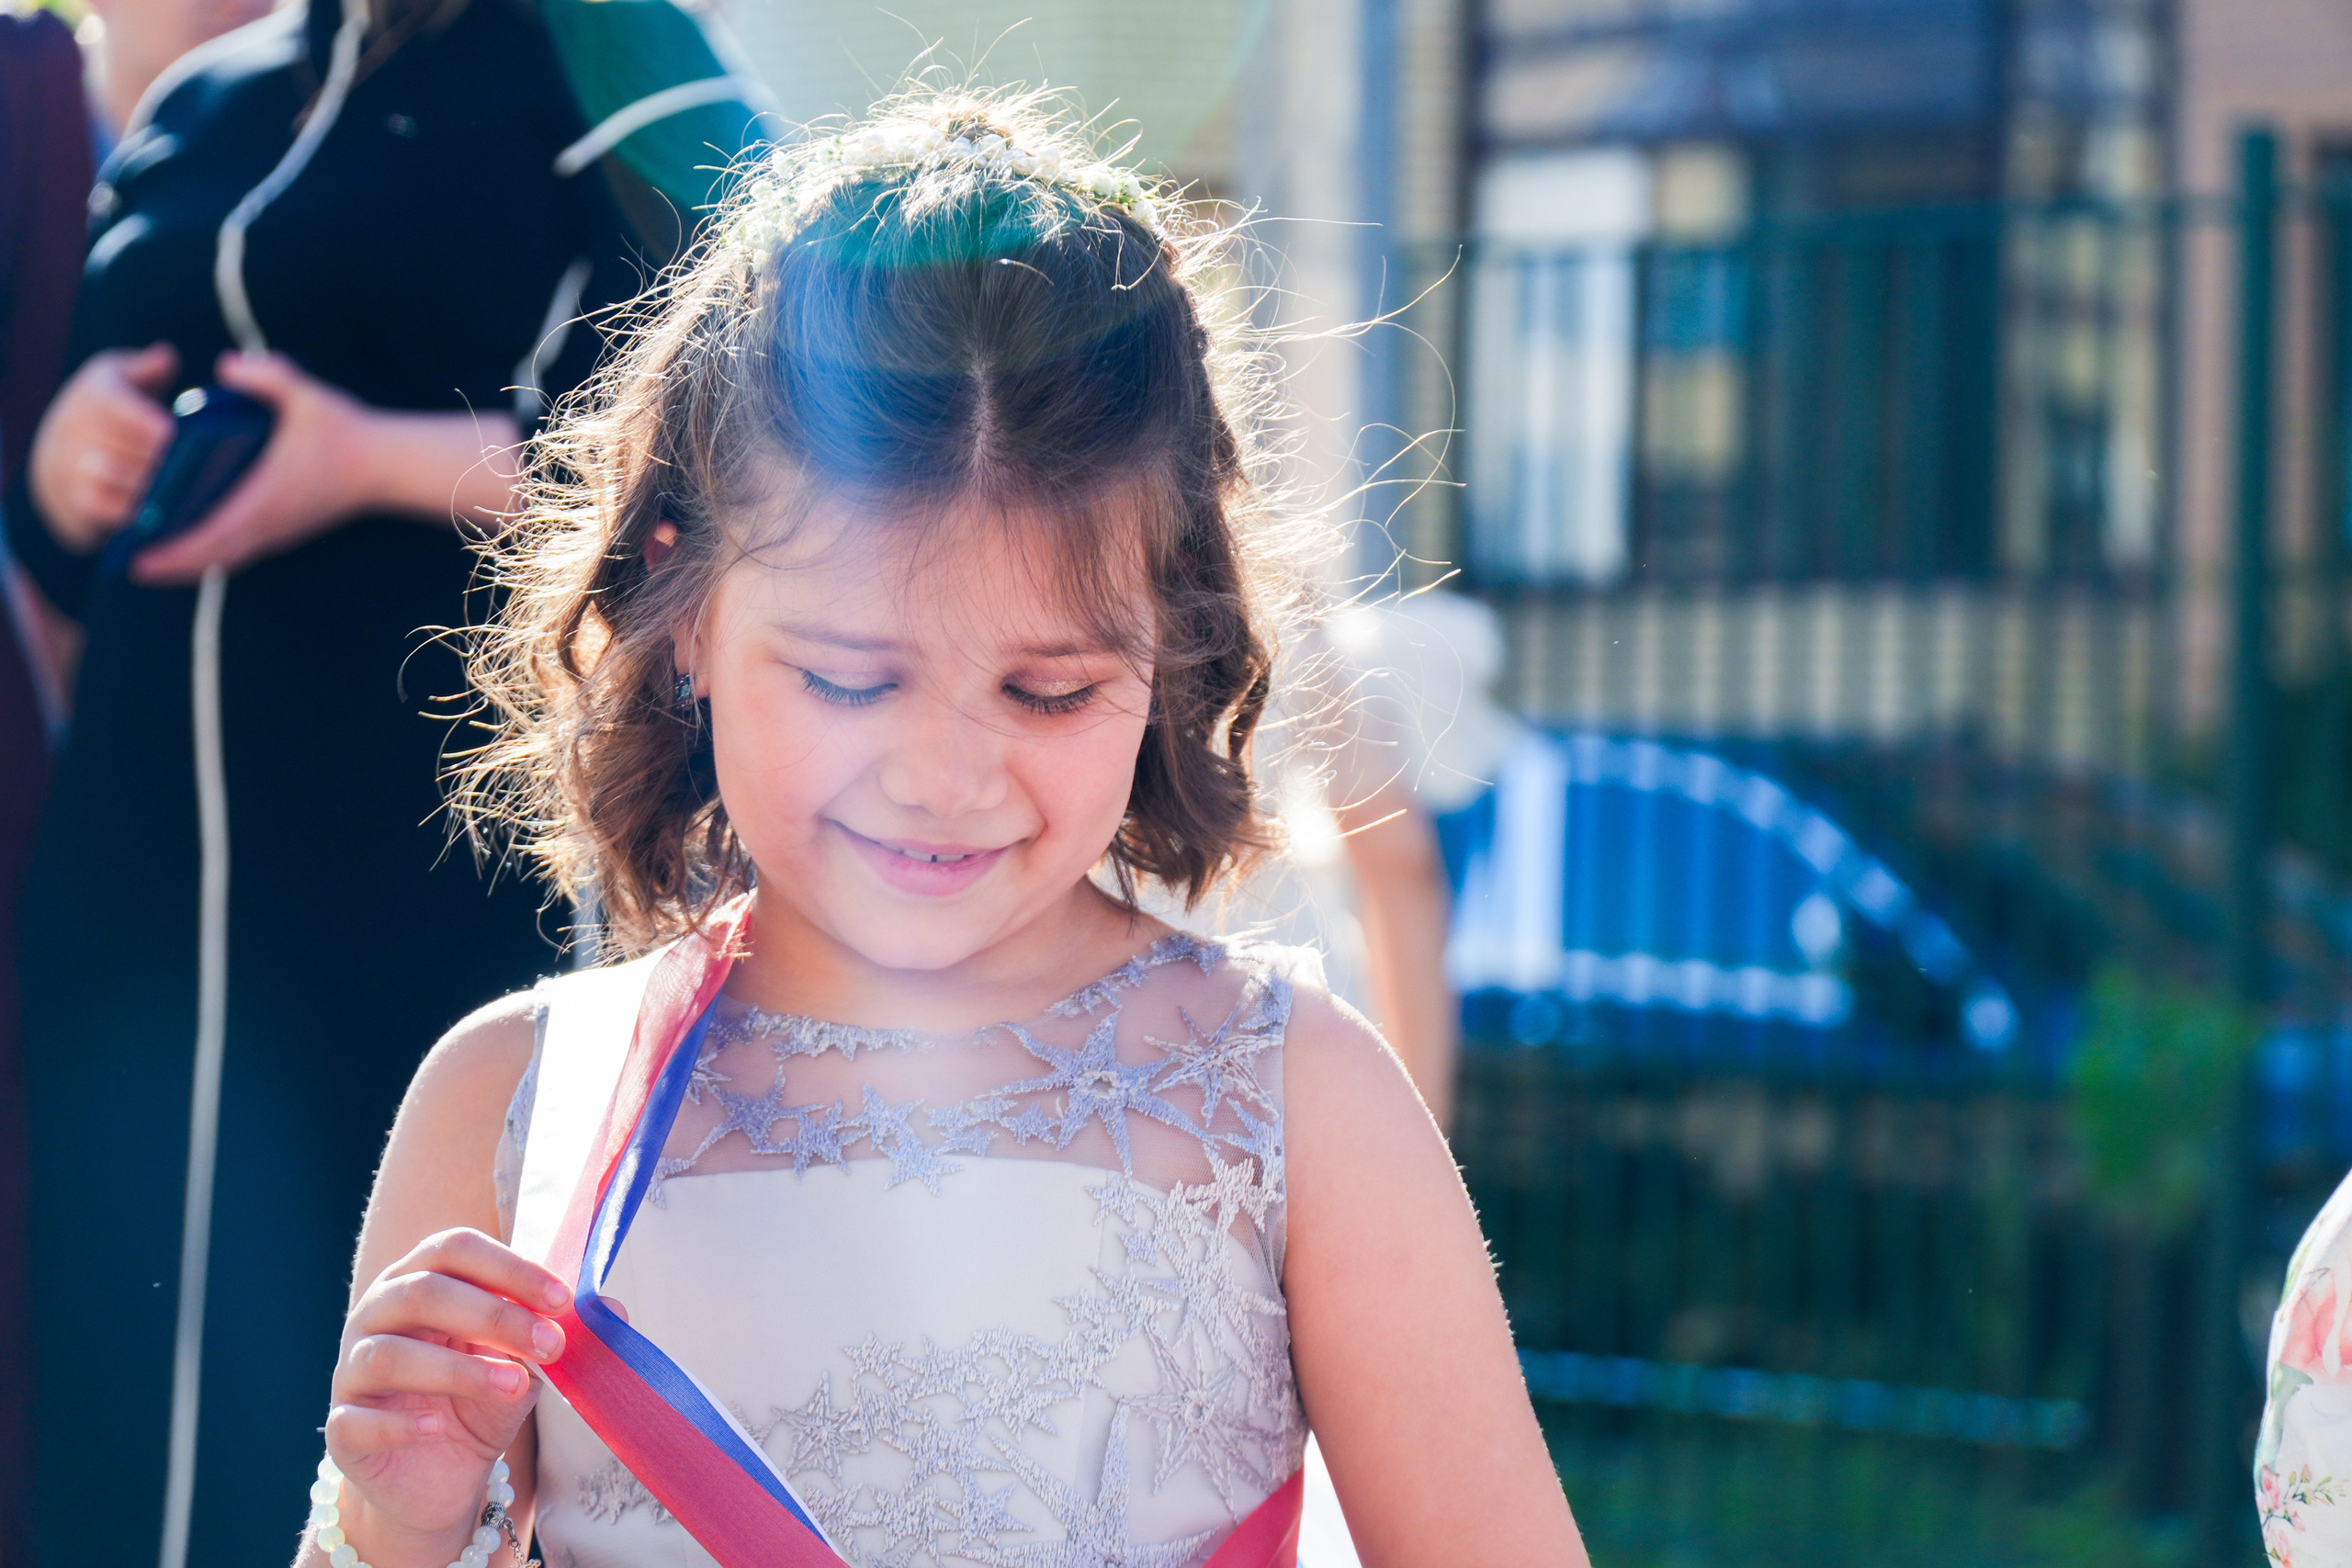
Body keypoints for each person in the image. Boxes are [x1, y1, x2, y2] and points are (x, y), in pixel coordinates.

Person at [293, 90, 1586, 1568]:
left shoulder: (1298, 1103)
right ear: (686, 602)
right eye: (850, 677)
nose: (943, 777)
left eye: (1049, 690)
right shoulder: (508, 1103)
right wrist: (401, 1519)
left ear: (1174, 643)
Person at [2, 0, 756, 1562]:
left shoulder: (606, 52)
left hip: (415, 876)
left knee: (367, 1356)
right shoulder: (206, 100)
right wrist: (63, 464)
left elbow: (742, 442)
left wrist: (372, 459)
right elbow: (60, 546)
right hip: (129, 898)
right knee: (100, 1350)